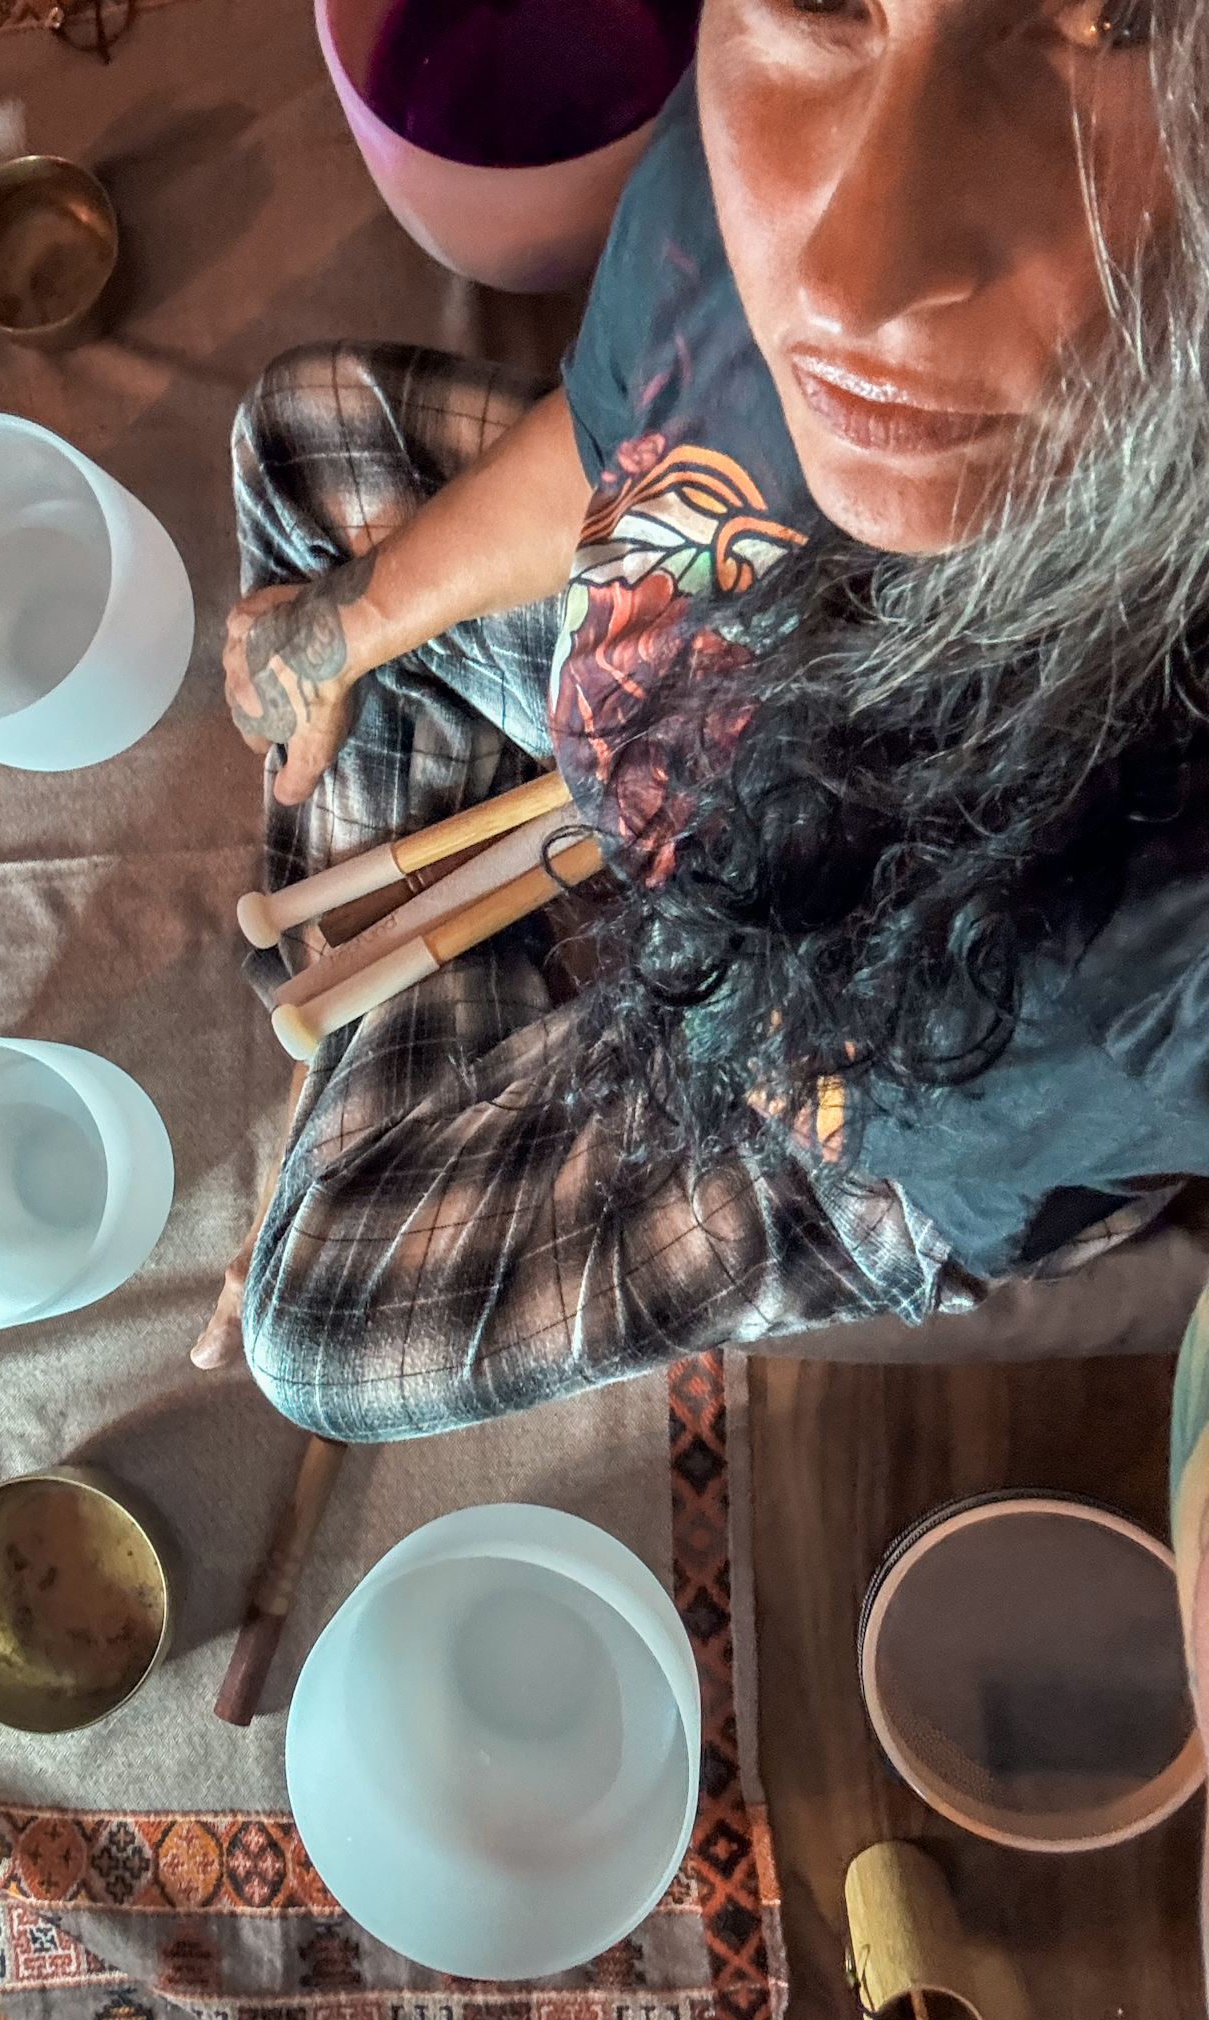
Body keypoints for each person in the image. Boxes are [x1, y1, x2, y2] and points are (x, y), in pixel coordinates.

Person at [205, 0, 1207, 1446]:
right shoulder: (747, 158)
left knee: (317, 1334)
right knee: (307, 437)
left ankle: (381, 1087)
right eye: (827, 0)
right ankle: (403, 1075)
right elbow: (622, 447)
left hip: (857, 1102)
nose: (849, 279)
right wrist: (346, 629)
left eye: (1120, 22)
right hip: (670, 752)